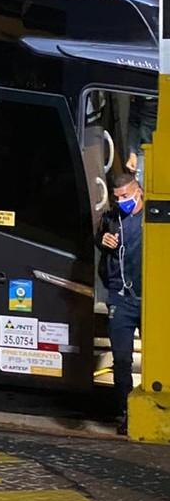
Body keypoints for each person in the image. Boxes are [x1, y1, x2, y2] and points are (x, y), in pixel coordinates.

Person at [97, 172, 144, 435]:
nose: (121, 201)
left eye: (126, 196)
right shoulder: (111, 219)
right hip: (121, 299)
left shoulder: (153, 216)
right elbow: (99, 239)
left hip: (149, 300)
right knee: (122, 359)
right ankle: (126, 412)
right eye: (117, 198)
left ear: (139, 190)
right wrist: (103, 241)